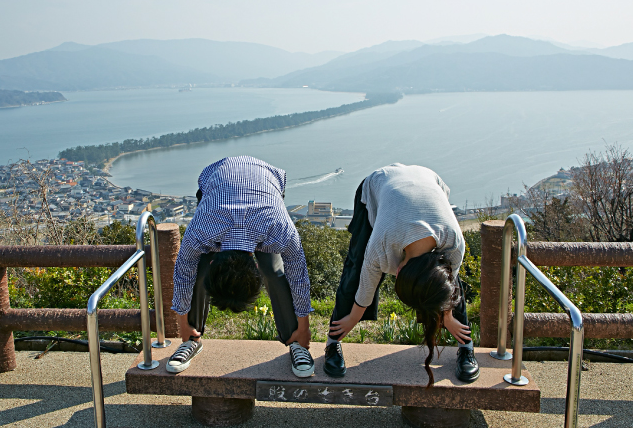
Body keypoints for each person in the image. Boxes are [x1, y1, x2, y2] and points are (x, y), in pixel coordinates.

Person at [324, 163, 478, 386]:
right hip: (379, 183)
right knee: (355, 269)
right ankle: (332, 343)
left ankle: (466, 347)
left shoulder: (453, 242)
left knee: (445, 284)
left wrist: (448, 317)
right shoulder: (380, 245)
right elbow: (367, 283)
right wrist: (353, 317)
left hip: (428, 182)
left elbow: (448, 285)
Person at [167, 156, 315, 378]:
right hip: (216, 176)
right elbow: (182, 273)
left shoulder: (278, 228)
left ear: (254, 264)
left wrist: (304, 328)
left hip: (267, 179)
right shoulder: (202, 230)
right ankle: (191, 338)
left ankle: (296, 342)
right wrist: (182, 325)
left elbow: (298, 274)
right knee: (197, 271)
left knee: (274, 271)